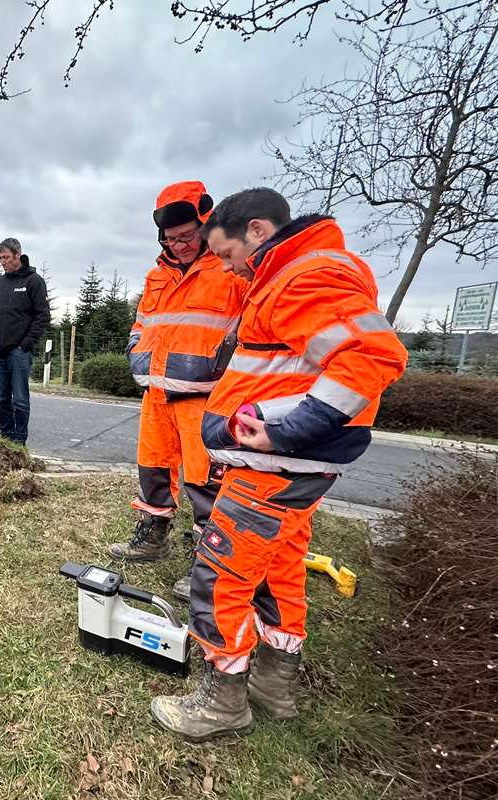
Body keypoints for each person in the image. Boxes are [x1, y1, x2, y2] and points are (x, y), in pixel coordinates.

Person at [149, 188, 408, 742]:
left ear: (259, 232)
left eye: (225, 253)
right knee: (279, 568)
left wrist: (289, 430)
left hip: (274, 467)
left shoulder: (303, 277)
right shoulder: (292, 273)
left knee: (219, 575)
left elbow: (372, 355)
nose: (226, 266)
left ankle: (223, 702)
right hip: (291, 470)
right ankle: (274, 683)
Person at [107, 181, 248, 605]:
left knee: (205, 481)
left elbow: (250, 326)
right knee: (152, 467)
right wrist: (136, 352)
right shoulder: (156, 275)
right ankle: (152, 536)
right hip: (157, 393)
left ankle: (208, 562)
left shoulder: (231, 270)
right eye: (170, 238)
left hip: (207, 397)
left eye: (186, 236)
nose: (179, 244)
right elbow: (142, 324)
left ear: (206, 225)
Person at [0, 237, 50, 445]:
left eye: (6, 257)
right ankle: (5, 438)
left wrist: (26, 344)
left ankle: (19, 442)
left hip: (19, 351)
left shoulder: (34, 281)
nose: (3, 262)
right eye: (0, 258)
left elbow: (42, 316)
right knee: (1, 398)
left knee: (19, 399)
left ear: (18, 255)